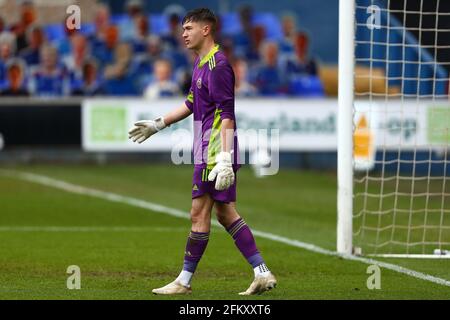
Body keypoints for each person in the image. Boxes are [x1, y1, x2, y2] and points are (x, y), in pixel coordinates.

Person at [128, 8, 277, 295]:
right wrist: (158, 124)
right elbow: (190, 104)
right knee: (225, 213)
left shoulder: (219, 66)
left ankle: (183, 281)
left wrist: (223, 159)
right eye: (183, 29)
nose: (183, 34)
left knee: (199, 213)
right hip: (207, 149)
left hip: (215, 151)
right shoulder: (200, 63)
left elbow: (228, 114)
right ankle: (261, 271)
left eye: (188, 28)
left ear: (205, 30)